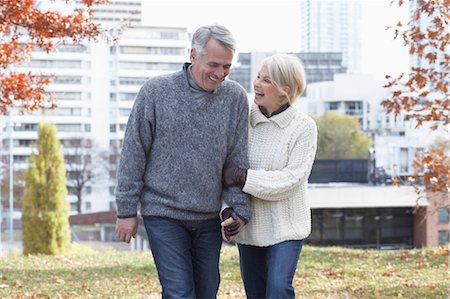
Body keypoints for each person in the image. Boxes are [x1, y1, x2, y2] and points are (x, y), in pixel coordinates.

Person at [115, 24, 251, 299]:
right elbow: (133, 151)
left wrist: (239, 210)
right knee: (179, 292)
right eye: (214, 64)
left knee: (206, 292)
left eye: (227, 67)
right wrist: (126, 210)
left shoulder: (235, 97)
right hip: (163, 213)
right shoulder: (156, 92)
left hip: (207, 217)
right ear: (193, 55)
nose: (220, 74)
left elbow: (237, 160)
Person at [221, 53, 318, 299]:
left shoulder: (303, 127)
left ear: (285, 89)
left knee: (277, 289)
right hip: (250, 228)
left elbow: (291, 180)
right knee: (256, 294)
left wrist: (245, 178)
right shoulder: (243, 120)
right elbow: (224, 170)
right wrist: (227, 208)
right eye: (258, 77)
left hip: (287, 228)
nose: (257, 84)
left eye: (266, 80)